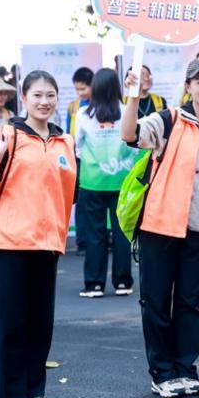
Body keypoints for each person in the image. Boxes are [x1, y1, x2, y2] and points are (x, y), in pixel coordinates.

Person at [121, 56, 199, 398]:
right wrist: (133, 98)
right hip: (159, 226)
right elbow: (130, 135)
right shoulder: (168, 119)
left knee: (192, 303)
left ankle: (185, 368)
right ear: (188, 87)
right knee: (156, 301)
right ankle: (162, 371)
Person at [0, 70, 76, 398]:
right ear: (24, 97)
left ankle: (34, 390)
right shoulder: (9, 135)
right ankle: (10, 396)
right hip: (12, 240)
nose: (44, 101)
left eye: (50, 95)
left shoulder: (65, 141)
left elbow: (71, 192)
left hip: (49, 242)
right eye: (37, 95)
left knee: (40, 323)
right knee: (12, 323)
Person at [76, 69, 138, 298]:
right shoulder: (126, 111)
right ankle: (123, 282)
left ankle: (94, 284)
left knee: (95, 234)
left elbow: (78, 148)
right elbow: (135, 144)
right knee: (122, 233)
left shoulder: (83, 115)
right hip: (122, 180)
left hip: (92, 181)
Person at [65, 67, 93, 137]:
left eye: (83, 89)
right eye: (77, 89)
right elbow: (68, 131)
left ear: (92, 85)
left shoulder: (100, 104)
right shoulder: (72, 106)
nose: (80, 93)